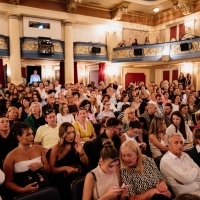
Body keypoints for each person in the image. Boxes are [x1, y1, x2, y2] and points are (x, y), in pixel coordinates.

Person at [3, 122, 50, 200]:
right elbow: (8, 182)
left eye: (32, 133)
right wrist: (23, 190)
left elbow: (48, 170)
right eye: (28, 135)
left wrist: (41, 166)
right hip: (22, 192)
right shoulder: (11, 156)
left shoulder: (39, 148)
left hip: (42, 186)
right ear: (19, 137)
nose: (32, 137)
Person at [49, 122, 88, 200]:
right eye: (68, 133)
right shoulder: (56, 148)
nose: (71, 135)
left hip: (79, 173)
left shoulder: (76, 145)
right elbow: (51, 169)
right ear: (62, 134)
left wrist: (81, 153)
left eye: (73, 132)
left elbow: (86, 163)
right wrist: (65, 168)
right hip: (64, 178)